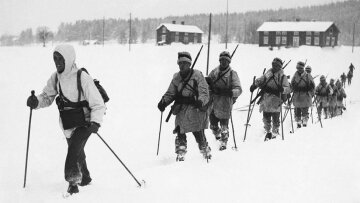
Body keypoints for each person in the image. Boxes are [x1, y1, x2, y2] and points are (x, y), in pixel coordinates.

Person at [26, 44, 106, 195]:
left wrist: (95, 122)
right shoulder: (56, 77)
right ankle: (85, 178)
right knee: (77, 151)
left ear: (68, 58)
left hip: (85, 122)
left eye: (60, 58)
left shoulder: (82, 77)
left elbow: (98, 104)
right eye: (55, 58)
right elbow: (47, 97)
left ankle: (73, 183)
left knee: (73, 151)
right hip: (67, 123)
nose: (57, 61)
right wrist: (36, 102)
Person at [157, 51, 211, 161]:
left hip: (195, 109)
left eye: (184, 63)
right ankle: (181, 153)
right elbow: (171, 93)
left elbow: (204, 92)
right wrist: (163, 102)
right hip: (181, 109)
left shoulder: (197, 75)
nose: (181, 66)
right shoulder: (176, 77)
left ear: (189, 64)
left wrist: (200, 101)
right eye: (180, 63)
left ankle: (206, 153)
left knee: (198, 133)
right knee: (180, 131)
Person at [206, 51, 242, 150]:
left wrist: (228, 92)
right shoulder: (214, 72)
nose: (223, 62)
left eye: (226, 60)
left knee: (224, 126)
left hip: (225, 103)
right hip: (213, 102)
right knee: (213, 125)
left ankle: (223, 142)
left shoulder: (232, 74)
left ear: (229, 62)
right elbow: (207, 85)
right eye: (222, 60)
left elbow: (238, 89)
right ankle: (217, 135)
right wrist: (208, 84)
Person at [250, 57, 290, 141]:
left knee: (275, 119)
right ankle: (268, 132)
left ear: (280, 67)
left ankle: (275, 133)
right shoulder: (268, 73)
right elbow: (261, 79)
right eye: (273, 65)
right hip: (266, 99)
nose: (274, 67)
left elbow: (288, 89)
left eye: (276, 65)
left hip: (276, 100)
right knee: (266, 118)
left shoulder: (282, 77)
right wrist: (255, 84)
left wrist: (282, 89)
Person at [290, 62, 315, 128]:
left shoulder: (307, 75)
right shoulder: (295, 75)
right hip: (297, 95)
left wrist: (311, 93)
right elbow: (292, 84)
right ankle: (298, 122)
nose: (299, 69)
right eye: (298, 68)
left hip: (305, 95)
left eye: (300, 68)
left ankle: (304, 121)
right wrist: (290, 90)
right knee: (297, 109)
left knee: (305, 109)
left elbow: (313, 85)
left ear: (303, 68)